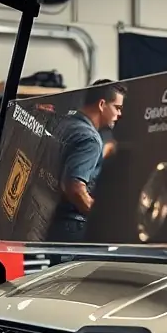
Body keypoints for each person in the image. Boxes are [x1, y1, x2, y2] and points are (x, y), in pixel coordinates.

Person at [46, 80, 126, 243]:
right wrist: (101, 218)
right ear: (102, 104)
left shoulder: (63, 125)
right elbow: (74, 188)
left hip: (53, 225)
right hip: (73, 227)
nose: (119, 114)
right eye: (117, 108)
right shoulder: (90, 139)